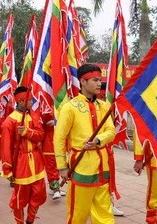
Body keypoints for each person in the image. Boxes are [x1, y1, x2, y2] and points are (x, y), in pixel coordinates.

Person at [54, 63, 116, 224]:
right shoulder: (70, 107)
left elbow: (111, 131)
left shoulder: (104, 105)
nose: (98, 84)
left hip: (103, 166)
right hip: (82, 166)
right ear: (82, 81)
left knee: (105, 215)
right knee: (78, 214)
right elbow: (59, 138)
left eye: (99, 80)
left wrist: (98, 140)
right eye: (95, 80)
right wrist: (62, 166)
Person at [1, 86, 47, 224]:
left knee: (38, 194)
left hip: (37, 162)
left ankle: (30, 220)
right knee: (20, 198)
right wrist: (7, 169)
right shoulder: (10, 121)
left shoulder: (34, 116)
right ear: (21, 101)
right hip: (21, 164)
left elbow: (41, 136)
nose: (32, 102)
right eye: (29, 100)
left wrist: (27, 132)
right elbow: (6, 148)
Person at [98, 82, 124, 217]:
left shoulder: (106, 106)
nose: (102, 99)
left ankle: (109, 204)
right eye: (101, 96)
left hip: (107, 149)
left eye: (105, 97)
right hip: (93, 151)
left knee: (108, 178)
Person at [133, 128, 157, 224]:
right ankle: (152, 221)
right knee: (154, 195)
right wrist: (139, 158)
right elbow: (139, 130)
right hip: (156, 160)